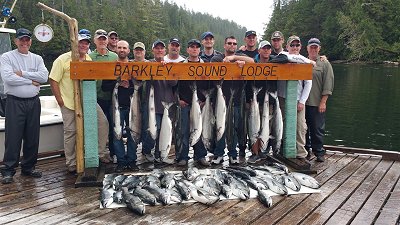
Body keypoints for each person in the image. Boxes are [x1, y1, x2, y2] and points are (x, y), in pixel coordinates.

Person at [49, 31, 110, 174]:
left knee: (102, 123)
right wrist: (60, 100)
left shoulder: (88, 59)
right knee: (71, 132)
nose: (83, 45)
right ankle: (71, 162)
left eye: (86, 43)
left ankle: (100, 154)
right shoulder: (62, 59)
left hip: (88, 101)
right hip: (69, 102)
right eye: (80, 42)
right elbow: (53, 80)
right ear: (74, 44)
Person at [0, 28, 49, 184]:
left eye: (27, 40)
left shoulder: (37, 58)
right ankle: (8, 170)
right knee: (13, 137)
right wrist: (31, 81)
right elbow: (8, 78)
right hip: (14, 102)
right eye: (21, 40)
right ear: (16, 41)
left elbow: (44, 76)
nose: (24, 42)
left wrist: (23, 73)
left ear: (31, 41)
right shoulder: (7, 57)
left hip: (34, 102)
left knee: (32, 136)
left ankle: (28, 167)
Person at [210, 36, 254, 165]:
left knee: (234, 128)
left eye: (234, 43)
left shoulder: (240, 56)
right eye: (229, 43)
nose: (232, 45)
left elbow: (252, 61)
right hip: (221, 100)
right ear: (224, 45)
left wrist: (236, 59)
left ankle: (232, 155)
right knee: (220, 127)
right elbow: (213, 72)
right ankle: (218, 154)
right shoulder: (217, 58)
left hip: (237, 101)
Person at [102, 40, 139, 172]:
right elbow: (104, 87)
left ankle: (132, 160)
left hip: (132, 108)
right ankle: (121, 161)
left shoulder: (134, 67)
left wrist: (130, 85)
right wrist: (118, 83)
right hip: (116, 108)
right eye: (119, 47)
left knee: (133, 133)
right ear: (116, 50)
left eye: (124, 48)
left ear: (129, 51)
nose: (122, 50)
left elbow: (139, 84)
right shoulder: (110, 67)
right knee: (116, 135)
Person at [277, 35, 314, 160]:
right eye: (292, 45)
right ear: (287, 46)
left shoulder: (304, 63)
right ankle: (282, 150)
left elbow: (308, 83)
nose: (294, 47)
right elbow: (288, 57)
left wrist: (302, 101)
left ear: (300, 47)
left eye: (297, 45)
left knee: (300, 127)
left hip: (298, 99)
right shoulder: (282, 56)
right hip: (282, 98)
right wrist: (308, 61)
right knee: (281, 124)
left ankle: (301, 154)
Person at [141, 40, 177, 165]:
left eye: (161, 48)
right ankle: (146, 151)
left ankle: (159, 154)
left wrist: (167, 71)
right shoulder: (148, 64)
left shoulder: (169, 65)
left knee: (165, 132)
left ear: (165, 51)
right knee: (152, 131)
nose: (159, 50)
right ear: (153, 51)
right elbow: (142, 77)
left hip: (168, 104)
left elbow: (174, 83)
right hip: (153, 105)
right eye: (157, 48)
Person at [176, 39, 210, 167]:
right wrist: (178, 99)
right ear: (188, 50)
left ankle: (200, 156)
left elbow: (209, 84)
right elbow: (175, 85)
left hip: (200, 104)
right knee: (183, 131)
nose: (194, 49)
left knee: (199, 130)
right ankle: (183, 156)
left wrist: (205, 100)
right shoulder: (180, 65)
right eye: (192, 47)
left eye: (197, 47)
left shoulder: (206, 65)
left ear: (199, 50)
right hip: (185, 103)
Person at [89, 29, 118, 163]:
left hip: (111, 97)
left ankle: (113, 152)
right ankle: (97, 154)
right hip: (95, 97)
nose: (102, 41)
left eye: (104, 39)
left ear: (107, 41)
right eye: (99, 39)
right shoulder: (90, 57)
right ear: (94, 41)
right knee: (97, 126)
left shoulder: (114, 57)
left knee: (112, 125)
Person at [305, 38, 334, 162]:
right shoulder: (302, 61)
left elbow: (328, 83)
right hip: (303, 103)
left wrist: (323, 102)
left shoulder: (324, 63)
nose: (313, 49)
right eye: (311, 47)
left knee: (317, 129)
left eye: (316, 47)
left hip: (317, 103)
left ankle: (319, 151)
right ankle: (305, 151)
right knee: (303, 129)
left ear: (319, 49)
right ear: (307, 48)